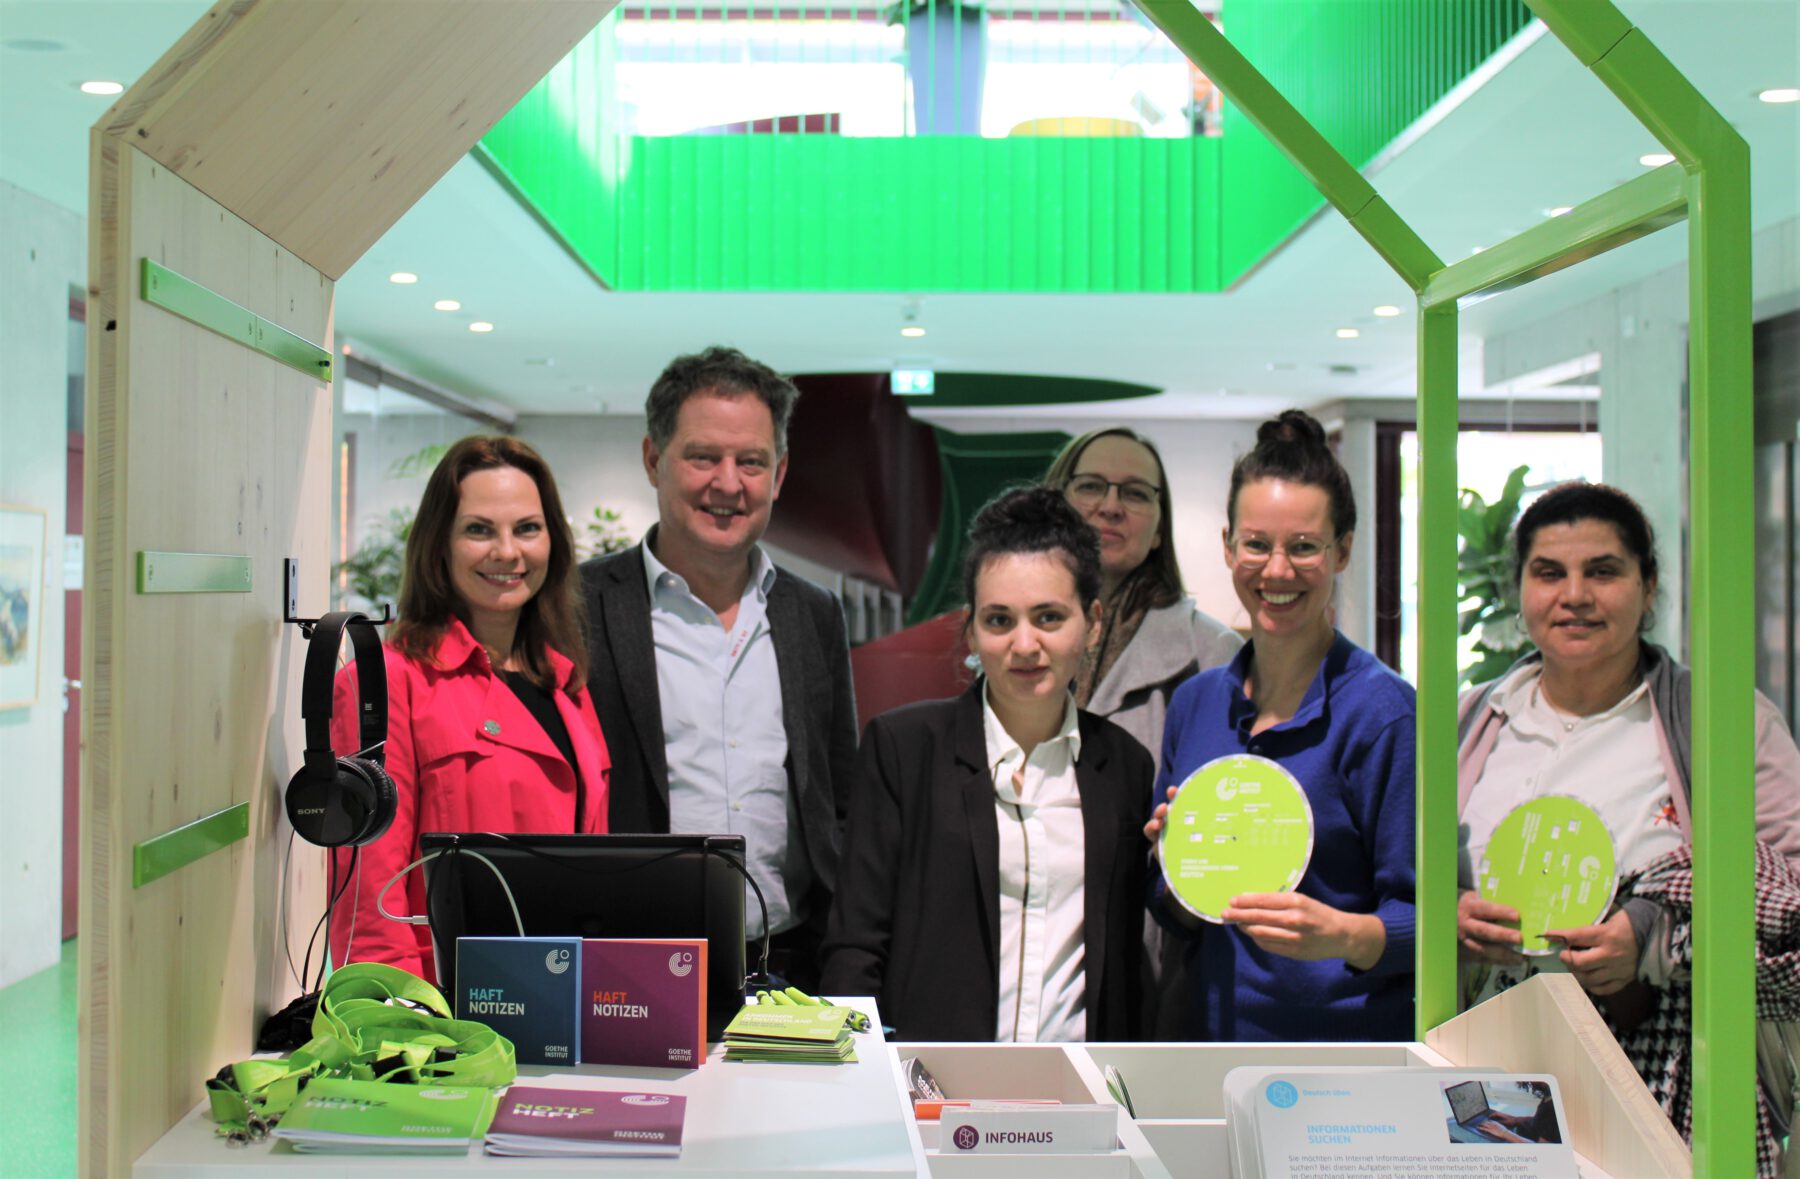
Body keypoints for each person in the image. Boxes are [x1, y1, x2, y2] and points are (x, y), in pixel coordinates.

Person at [1454, 480, 1800, 1175]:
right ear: (1521, 590)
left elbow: (1784, 885)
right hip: (1488, 1066)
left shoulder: (1723, 718)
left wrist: (1649, 936)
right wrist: (1454, 916)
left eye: (1603, 571)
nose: (1574, 594)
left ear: (1648, 589)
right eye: (1549, 572)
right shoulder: (1469, 721)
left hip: (1664, 1070)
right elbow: (1417, 873)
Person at [820, 487, 1153, 1041]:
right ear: (972, 629)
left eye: (1049, 617)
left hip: (1072, 1091)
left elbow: (1126, 961)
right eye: (1000, 620)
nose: (1025, 644)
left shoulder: (1123, 767)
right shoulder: (903, 749)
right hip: (931, 1093)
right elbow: (855, 946)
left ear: (1091, 623)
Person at [582, 346, 856, 991]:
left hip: (791, 961)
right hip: (631, 961)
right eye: (703, 457)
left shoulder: (813, 613)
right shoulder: (580, 607)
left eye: (751, 462)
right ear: (654, 459)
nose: (728, 484)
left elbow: (840, 794)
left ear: (780, 473)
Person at [1146, 409, 1417, 1041]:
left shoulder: (1384, 714)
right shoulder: (1196, 704)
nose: (1276, 571)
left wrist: (1340, 933)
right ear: (1227, 546)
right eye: (1257, 545)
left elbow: (1426, 923)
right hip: (1207, 1050)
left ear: (1342, 550)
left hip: (1340, 1067)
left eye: (1303, 547)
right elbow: (1175, 913)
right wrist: (1173, 862)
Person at [328, 436, 610, 982]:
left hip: (559, 994)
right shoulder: (387, 680)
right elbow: (368, 886)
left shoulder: (567, 683)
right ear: (440, 544)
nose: (507, 551)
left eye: (527, 528)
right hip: (447, 1009)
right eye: (479, 529)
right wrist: (395, 1016)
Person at [1045, 426, 1242, 1037]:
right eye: (1091, 486)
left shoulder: (1214, 654)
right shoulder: (1014, 642)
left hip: (1151, 960)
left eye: (1134, 493)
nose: (1110, 505)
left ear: (1160, 526)